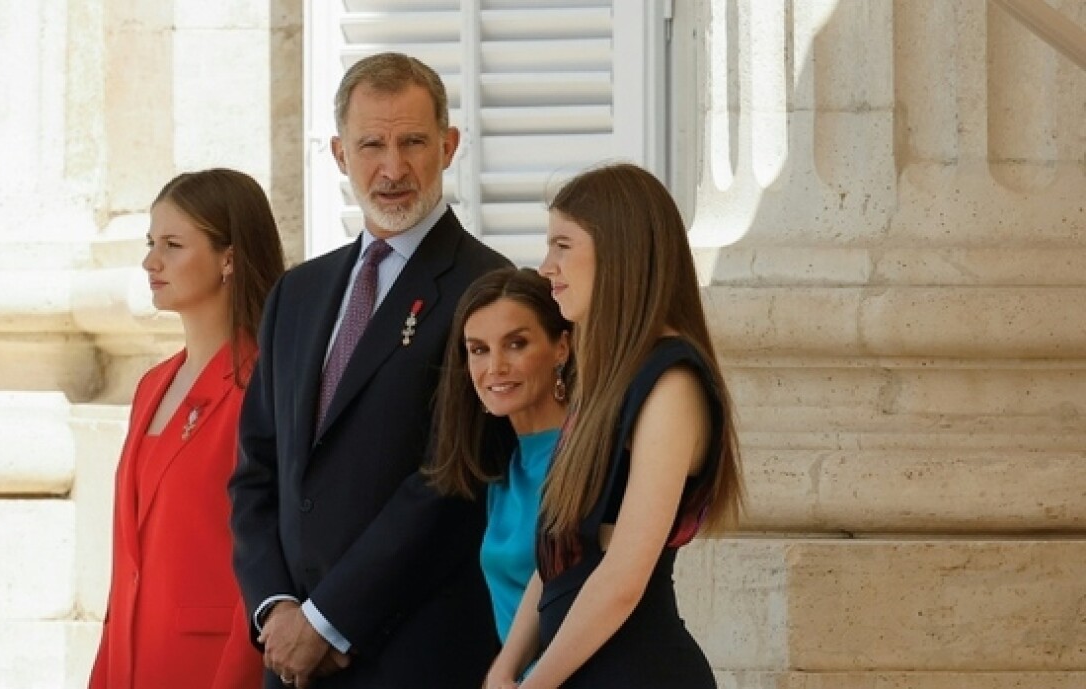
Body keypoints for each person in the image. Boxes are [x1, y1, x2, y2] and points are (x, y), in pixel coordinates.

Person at [228, 52, 511, 689]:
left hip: (416, 659)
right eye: (371, 144)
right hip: (290, 662)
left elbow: (452, 481)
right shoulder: (296, 294)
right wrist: (276, 609)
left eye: (413, 142)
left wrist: (327, 621)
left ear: (449, 144)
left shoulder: (490, 290)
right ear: (337, 153)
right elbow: (256, 475)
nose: (392, 168)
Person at [485, 162, 745, 688]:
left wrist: (534, 685)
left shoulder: (672, 384)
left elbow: (624, 577)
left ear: (618, 250)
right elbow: (557, 553)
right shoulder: (605, 379)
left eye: (563, 245)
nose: (545, 267)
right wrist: (505, 669)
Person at [90, 169, 287, 688]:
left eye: (173, 245)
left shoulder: (265, 384)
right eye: (151, 243)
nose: (151, 262)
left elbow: (269, 547)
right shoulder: (152, 385)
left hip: (216, 665)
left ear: (229, 257)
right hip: (133, 661)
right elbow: (129, 561)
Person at [427, 267, 572, 642]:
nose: (495, 368)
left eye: (516, 344)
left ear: (562, 347)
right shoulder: (504, 467)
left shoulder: (582, 457)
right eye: (479, 350)